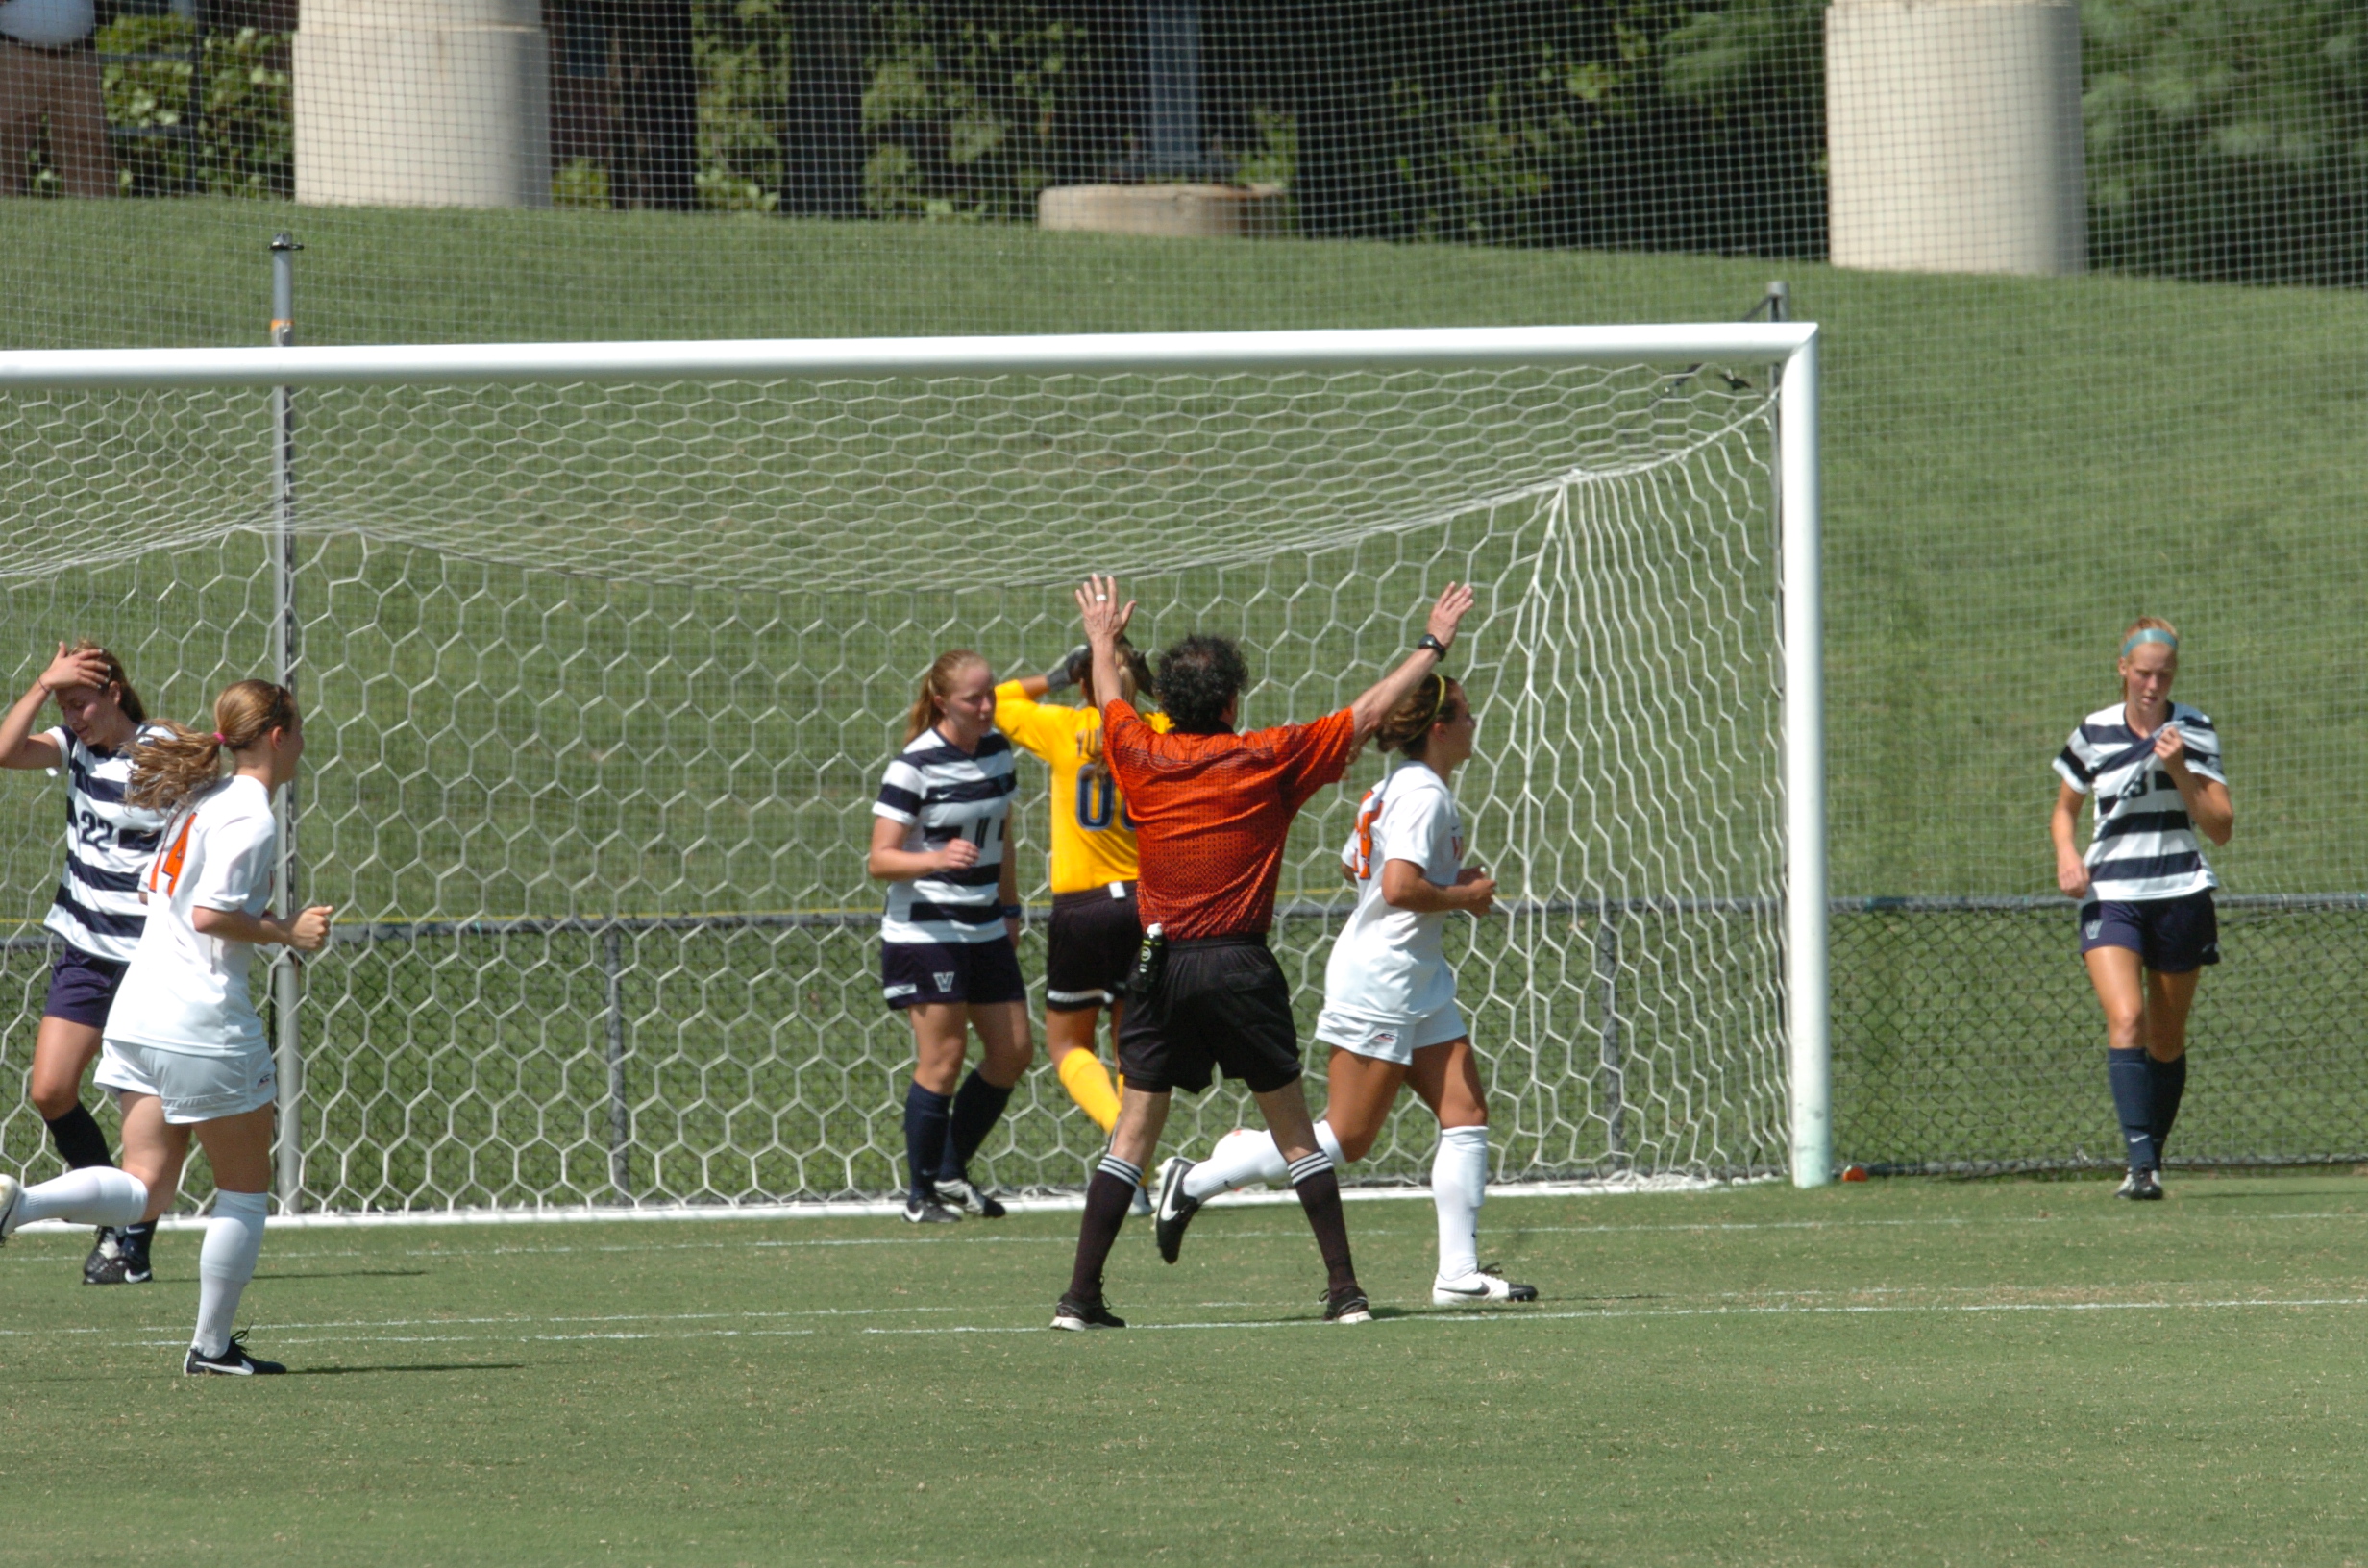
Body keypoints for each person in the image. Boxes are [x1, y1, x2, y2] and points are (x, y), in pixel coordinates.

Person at [1052, 573, 1475, 1331]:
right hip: (1238, 966)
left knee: (1133, 1136)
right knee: (1295, 1131)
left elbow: (1112, 701)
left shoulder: (1139, 754)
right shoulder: (1266, 758)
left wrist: (1101, 641)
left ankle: (1079, 1298)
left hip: (1160, 965)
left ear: (1170, 704)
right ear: (1230, 703)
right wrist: (1431, 644)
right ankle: (1344, 1292)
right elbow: (1370, 712)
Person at [1153, 672, 1537, 1305]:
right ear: (1439, 728)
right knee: (1346, 1136)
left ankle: (1458, 1276)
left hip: (1417, 976)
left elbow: (1354, 862)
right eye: (1465, 713)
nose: (1474, 723)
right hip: (1383, 979)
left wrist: (1443, 880)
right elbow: (1397, 886)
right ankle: (1199, 1179)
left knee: (1466, 1114)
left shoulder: (1398, 786)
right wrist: (1463, 893)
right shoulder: (1424, 794)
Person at [0, 678, 333, 1375]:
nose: (303, 743)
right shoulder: (250, 815)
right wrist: (286, 930)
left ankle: (19, 1205)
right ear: (277, 737)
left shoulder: (200, 799)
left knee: (145, 1184)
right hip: (199, 1019)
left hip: (139, 1010)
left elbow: (161, 891)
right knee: (244, 1191)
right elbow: (210, 914)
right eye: (299, 731)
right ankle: (211, 1348)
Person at [0, 641, 171, 1285]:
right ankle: (111, 1219)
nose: (73, 717)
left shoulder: (161, 750)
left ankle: (131, 1243)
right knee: (50, 1090)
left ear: (115, 694)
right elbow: (5, 751)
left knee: (140, 1106)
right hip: (85, 955)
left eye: (82, 703)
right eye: (65, 706)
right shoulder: (73, 748)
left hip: (148, 961)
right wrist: (44, 684)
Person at [2051, 619, 2232, 1201]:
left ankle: (2149, 1158)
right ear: (2123, 669)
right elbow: (2064, 808)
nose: (2153, 685)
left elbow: (2220, 826)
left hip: (2179, 892)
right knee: (2127, 1017)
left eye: (2165, 675)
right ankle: (2141, 1166)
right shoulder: (2094, 731)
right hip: (2112, 895)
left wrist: (2178, 766)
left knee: (2166, 1038)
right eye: (2144, 673)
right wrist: (2067, 855)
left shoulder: (2194, 728)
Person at [994, 639, 1168, 1214]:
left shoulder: (1066, 729)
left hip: (1083, 909)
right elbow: (1201, 717)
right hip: (1146, 908)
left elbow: (996, 701)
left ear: (1086, 682)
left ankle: (1123, 1140)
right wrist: (1144, 680)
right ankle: (1135, 1170)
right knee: (1130, 1047)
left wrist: (1057, 676)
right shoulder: (1157, 731)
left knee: (1067, 1043)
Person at [869, 649, 1031, 1225]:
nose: (987, 707)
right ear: (942, 702)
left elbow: (1002, 837)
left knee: (1013, 1052)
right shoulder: (913, 766)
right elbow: (880, 859)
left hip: (985, 925)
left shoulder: (996, 751)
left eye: (991, 694)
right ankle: (920, 1196)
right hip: (926, 929)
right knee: (943, 1058)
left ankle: (948, 1169)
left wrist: (1010, 907)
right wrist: (935, 858)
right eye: (973, 699)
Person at [0, 0, 117, 197]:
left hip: (78, 57)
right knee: (7, 143)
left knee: (89, 144)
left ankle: (93, 209)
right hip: (12, 54)